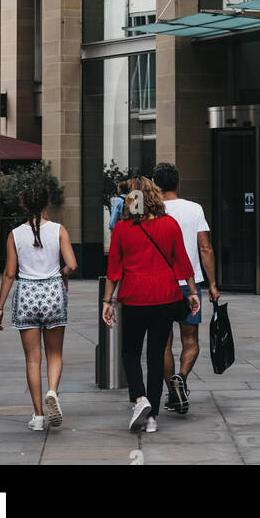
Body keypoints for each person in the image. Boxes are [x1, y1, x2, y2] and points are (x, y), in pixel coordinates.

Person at [102, 177, 199, 435]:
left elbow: (114, 269)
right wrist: (191, 292)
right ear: (155, 197)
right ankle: (153, 416)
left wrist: (107, 301)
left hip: (135, 296)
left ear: (132, 200)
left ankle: (139, 398)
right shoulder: (170, 224)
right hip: (166, 296)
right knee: (157, 355)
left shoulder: (123, 229)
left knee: (130, 352)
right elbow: (183, 260)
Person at [0, 184, 77, 432]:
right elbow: (71, 264)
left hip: (27, 293)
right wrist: (61, 275)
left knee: (32, 359)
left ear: (23, 205)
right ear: (46, 204)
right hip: (52, 292)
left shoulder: (14, 234)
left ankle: (38, 415)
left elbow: (9, 274)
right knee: (55, 354)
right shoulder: (58, 230)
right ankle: (52, 391)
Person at [152, 162, 220, 416]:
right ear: (177, 183)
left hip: (160, 286)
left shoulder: (151, 212)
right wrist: (212, 284)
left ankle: (172, 392)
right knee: (190, 341)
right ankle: (181, 377)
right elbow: (206, 248)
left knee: (164, 344)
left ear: (155, 185)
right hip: (189, 286)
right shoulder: (195, 209)